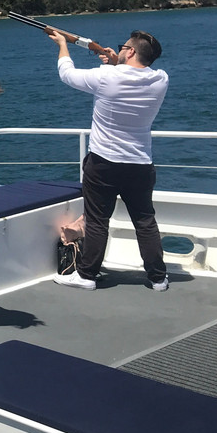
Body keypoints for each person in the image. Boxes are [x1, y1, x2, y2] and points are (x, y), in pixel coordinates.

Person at [48, 29, 170, 291]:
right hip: (140, 164)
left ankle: (87, 275)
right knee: (145, 221)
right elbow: (131, 75)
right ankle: (158, 278)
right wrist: (117, 61)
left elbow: (66, 74)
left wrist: (62, 45)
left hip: (103, 163)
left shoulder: (106, 76)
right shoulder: (161, 79)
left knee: (97, 220)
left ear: (131, 51)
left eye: (123, 47)